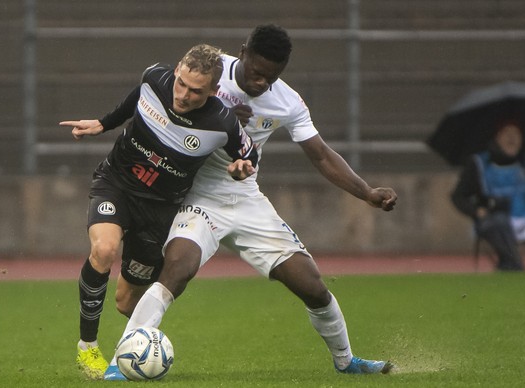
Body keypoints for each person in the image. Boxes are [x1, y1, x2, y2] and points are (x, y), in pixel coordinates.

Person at [104, 24, 397, 381]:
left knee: (311, 285)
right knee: (177, 269)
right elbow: (169, 97)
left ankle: (346, 360)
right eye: (257, 73)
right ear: (242, 52)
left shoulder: (287, 101)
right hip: (197, 196)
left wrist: (366, 193)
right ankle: (121, 360)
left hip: (245, 199)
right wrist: (214, 111)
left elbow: (320, 155)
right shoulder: (211, 72)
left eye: (271, 77)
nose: (261, 83)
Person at [60, 43, 258, 380]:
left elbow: (248, 155)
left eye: (196, 91)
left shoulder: (221, 122)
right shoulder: (156, 78)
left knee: (126, 303)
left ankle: (141, 350)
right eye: (181, 82)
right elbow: (137, 96)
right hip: (117, 184)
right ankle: (87, 348)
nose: (182, 95)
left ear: (213, 91)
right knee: (104, 249)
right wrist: (103, 123)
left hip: (161, 210)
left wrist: (242, 167)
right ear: (177, 69)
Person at [451, 119, 525, 271]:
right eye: (507, 134)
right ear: (497, 137)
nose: (512, 139)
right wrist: (476, 211)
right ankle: (513, 265)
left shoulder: (522, 163)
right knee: (499, 222)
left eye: (516, 134)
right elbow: (458, 196)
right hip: (492, 219)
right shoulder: (479, 163)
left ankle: (509, 265)